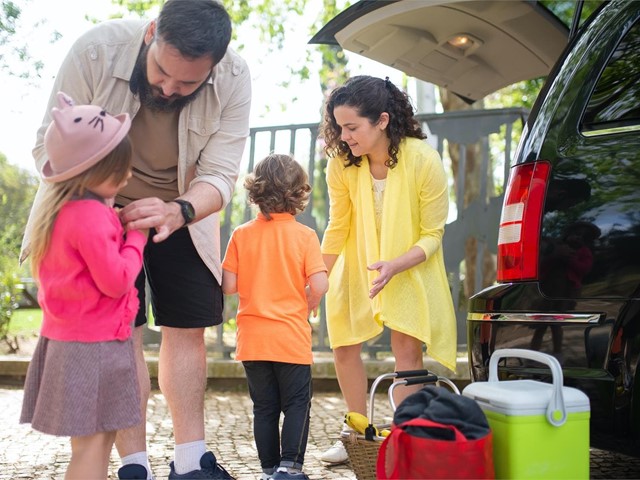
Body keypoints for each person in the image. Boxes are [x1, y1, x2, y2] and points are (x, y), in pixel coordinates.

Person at [20, 1, 251, 478]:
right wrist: (101, 208)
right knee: (117, 328)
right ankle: (133, 465)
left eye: (187, 84)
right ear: (150, 34)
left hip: (182, 206)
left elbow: (222, 173)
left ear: (214, 67)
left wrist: (179, 210)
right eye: (163, 72)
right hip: (96, 203)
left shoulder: (234, 78)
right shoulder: (95, 52)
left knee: (188, 327)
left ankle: (191, 462)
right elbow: (49, 140)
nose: (169, 89)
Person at [318, 75, 457, 464]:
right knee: (343, 344)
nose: (344, 136)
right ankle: (355, 433)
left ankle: (404, 436)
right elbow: (338, 224)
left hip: (408, 265)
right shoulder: (341, 164)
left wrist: (396, 264)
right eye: (338, 127)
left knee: (405, 346)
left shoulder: (424, 160)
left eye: (351, 127)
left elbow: (433, 234)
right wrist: (319, 276)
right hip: (357, 262)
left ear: (381, 120)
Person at [19, 92, 147, 479]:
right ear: (92, 171)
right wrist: (136, 238)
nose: (127, 175)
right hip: (95, 348)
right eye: (120, 169)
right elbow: (117, 280)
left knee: (85, 445)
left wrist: (118, 226)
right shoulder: (91, 217)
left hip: (67, 344)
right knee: (95, 448)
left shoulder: (61, 213)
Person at [221, 154, 329, 480]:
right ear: (298, 193)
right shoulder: (305, 236)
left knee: (264, 407)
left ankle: (269, 470)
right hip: (290, 337)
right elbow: (321, 283)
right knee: (297, 403)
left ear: (256, 192)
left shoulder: (241, 234)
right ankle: (290, 467)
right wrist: (309, 300)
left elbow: (228, 286)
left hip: (253, 338)